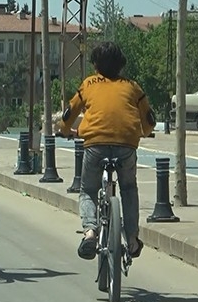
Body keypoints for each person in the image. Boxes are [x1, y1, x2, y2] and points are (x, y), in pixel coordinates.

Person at [58, 41, 156, 260]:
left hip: (95, 145)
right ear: (121, 65)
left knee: (88, 190)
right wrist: (145, 131)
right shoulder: (132, 86)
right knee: (129, 189)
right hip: (126, 144)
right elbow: (148, 119)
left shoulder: (89, 84)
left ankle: (90, 232)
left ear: (96, 65)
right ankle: (132, 239)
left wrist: (65, 130)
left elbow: (69, 113)